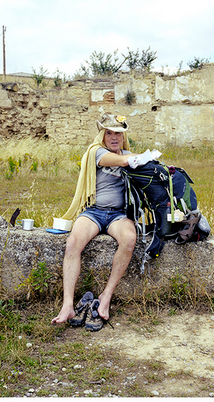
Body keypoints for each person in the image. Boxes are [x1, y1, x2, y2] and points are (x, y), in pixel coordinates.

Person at [51, 113, 155, 330]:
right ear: (103, 135)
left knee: (129, 239)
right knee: (72, 244)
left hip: (118, 214)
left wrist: (150, 161)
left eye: (118, 133)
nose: (114, 137)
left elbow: (144, 166)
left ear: (124, 136)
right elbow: (120, 161)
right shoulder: (96, 152)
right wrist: (140, 158)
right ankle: (68, 304)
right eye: (109, 132)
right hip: (94, 212)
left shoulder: (128, 154)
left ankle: (106, 297)